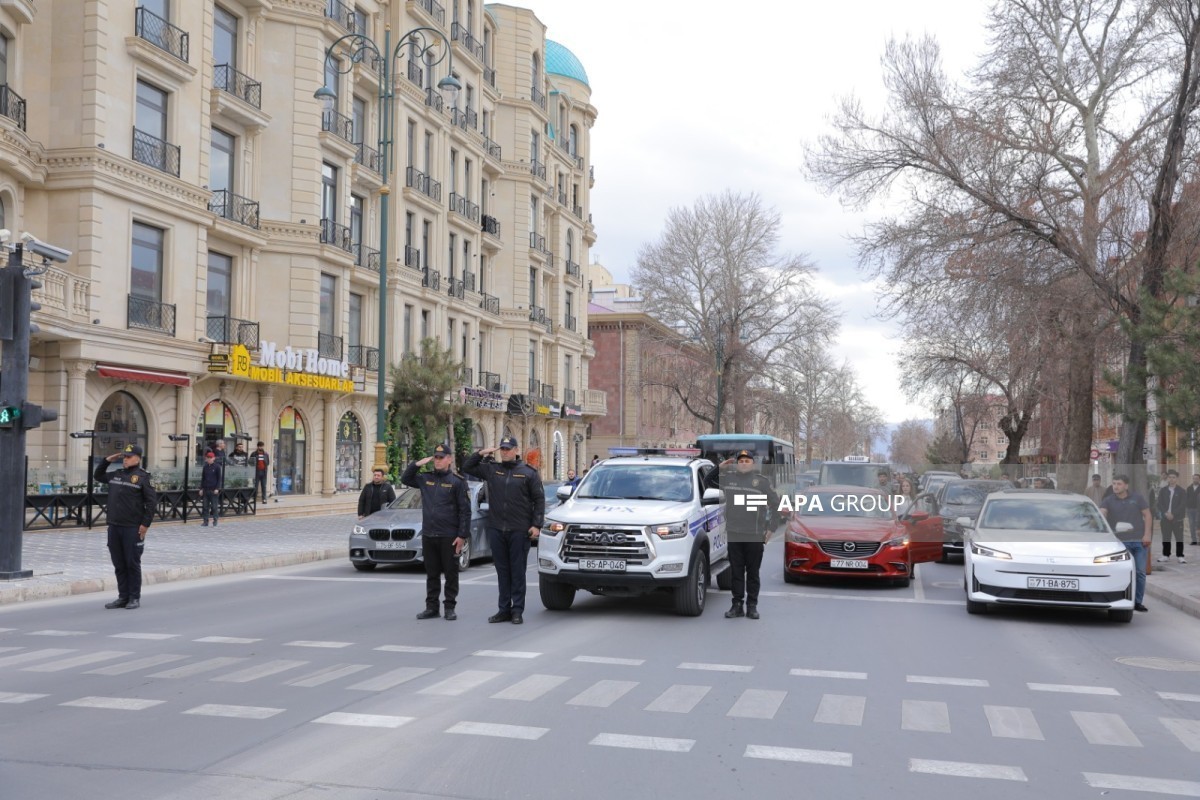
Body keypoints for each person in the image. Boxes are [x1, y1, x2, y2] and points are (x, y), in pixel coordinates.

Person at [463, 436, 545, 624]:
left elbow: (539, 500)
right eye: (502, 449)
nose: (505, 452)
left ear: (516, 450)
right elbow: (467, 467)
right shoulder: (493, 469)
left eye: (508, 449)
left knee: (517, 571)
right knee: (502, 571)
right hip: (497, 528)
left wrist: (536, 524)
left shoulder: (528, 472)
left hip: (519, 529)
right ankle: (503, 609)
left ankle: (517, 610)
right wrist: (480, 453)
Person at [703, 449, 782, 620]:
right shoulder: (729, 480)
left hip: (754, 535)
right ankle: (736, 605)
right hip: (734, 533)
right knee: (737, 573)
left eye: (747, 461)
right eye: (741, 461)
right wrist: (720, 468)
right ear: (737, 463)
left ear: (752, 463)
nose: (744, 463)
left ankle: (752, 606)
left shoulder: (761, 483)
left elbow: (777, 505)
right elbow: (707, 481)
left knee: (753, 573)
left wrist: (771, 529)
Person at [402, 443, 470, 621]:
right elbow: (405, 479)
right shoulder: (425, 478)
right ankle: (431, 607)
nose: (438, 461)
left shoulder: (457, 482)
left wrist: (462, 535)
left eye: (441, 458)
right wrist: (416, 464)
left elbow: (465, 511)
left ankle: (449, 607)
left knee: (450, 573)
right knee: (431, 574)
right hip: (430, 533)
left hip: (449, 535)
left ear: (449, 459)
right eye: (436, 458)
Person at [94, 444, 158, 610]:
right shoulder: (117, 474)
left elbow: (151, 503)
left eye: (129, 457)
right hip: (114, 526)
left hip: (132, 528)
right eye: (124, 457)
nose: (125, 459)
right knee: (119, 564)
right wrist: (107, 460)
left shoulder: (143, 477)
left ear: (137, 458)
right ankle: (122, 597)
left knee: (132, 563)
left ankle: (134, 597)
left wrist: (145, 525)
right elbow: (98, 475)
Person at [1100, 474, 1153, 613]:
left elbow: (1147, 515)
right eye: (1114, 483)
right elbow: (1102, 514)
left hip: (1139, 541)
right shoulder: (1108, 500)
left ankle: (1137, 602)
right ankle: (1116, 598)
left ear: (1126, 486)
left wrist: (1147, 535)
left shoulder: (1137, 498)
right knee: (1119, 572)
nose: (1116, 486)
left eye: (1119, 484)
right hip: (1119, 543)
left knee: (1140, 572)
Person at [1156, 469, 1186, 564]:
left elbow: (1182, 505)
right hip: (1165, 518)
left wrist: (1173, 514)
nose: (1171, 479)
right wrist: (1165, 513)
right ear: (1167, 478)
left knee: (1179, 537)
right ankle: (1165, 555)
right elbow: (1159, 503)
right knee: (1166, 537)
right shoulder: (1163, 490)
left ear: (1177, 478)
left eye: (1174, 477)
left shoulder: (1181, 491)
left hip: (1177, 518)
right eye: (1170, 477)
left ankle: (1180, 556)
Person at [199, 450, 222, 527]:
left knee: (214, 506)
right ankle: (205, 521)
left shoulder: (217, 467)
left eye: (210, 458)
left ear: (214, 458)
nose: (209, 459)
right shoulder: (205, 467)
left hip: (213, 490)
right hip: (206, 489)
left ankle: (215, 520)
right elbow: (203, 478)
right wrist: (201, 488)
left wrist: (217, 488)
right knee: (205, 506)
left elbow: (219, 478)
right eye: (208, 458)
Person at [1187, 473, 1200, 546]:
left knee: (1198, 524)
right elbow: (1186, 498)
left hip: (1198, 509)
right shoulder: (1189, 488)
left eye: (1197, 478)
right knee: (1191, 524)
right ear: (1192, 479)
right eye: (1194, 478)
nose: (1195, 479)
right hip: (1190, 509)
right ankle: (1194, 540)